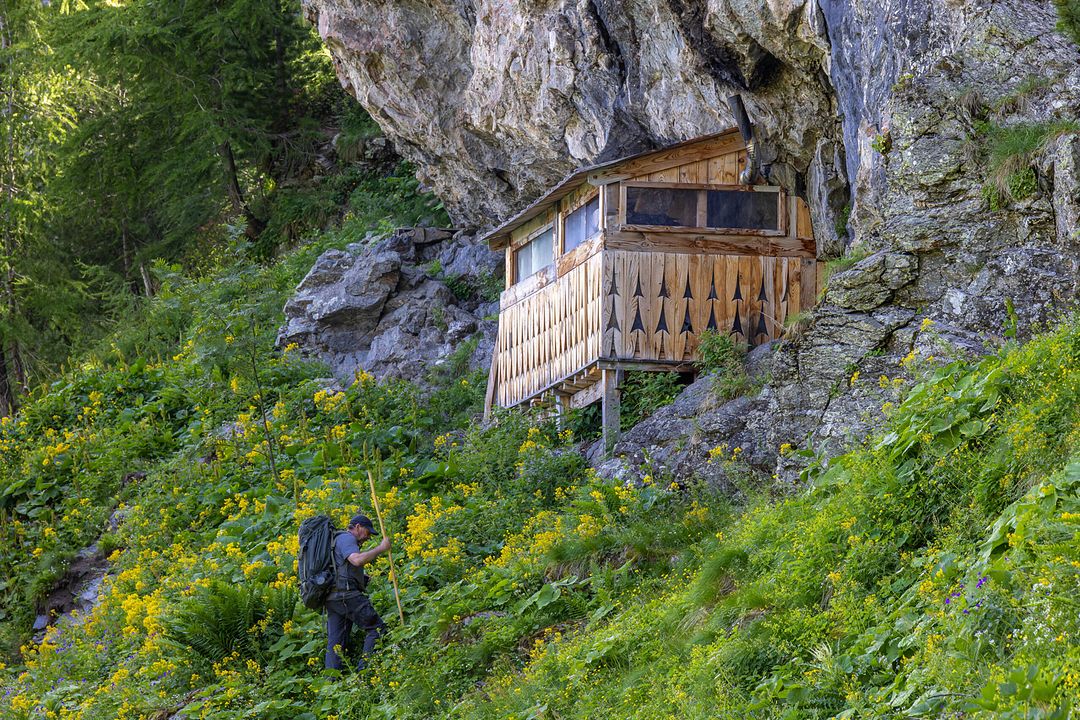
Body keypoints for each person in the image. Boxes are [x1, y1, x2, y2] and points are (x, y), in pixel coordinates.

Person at [324, 513, 391, 671]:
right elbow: (357, 560)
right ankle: (365, 672)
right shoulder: (347, 539)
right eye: (368, 533)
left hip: (331, 597)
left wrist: (359, 577)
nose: (368, 537)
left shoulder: (336, 539)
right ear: (358, 527)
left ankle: (331, 682)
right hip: (345, 595)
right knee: (377, 628)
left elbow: (341, 566)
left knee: (335, 643)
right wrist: (381, 548)